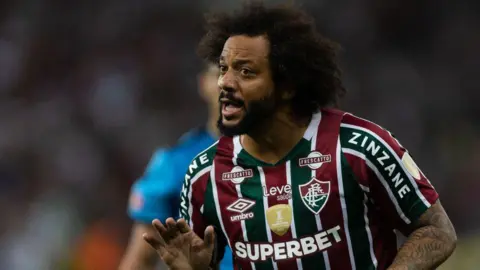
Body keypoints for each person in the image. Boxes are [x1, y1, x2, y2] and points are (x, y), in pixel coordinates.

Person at [142, 2, 457, 270]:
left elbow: (437, 229)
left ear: (288, 85)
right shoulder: (204, 175)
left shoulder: (359, 148)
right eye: (223, 68)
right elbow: (201, 259)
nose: (225, 82)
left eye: (245, 71)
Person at [119, 63, 233, 270]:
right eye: (220, 74)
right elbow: (140, 260)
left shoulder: (290, 157)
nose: (229, 83)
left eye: (243, 73)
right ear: (203, 84)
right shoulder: (175, 163)